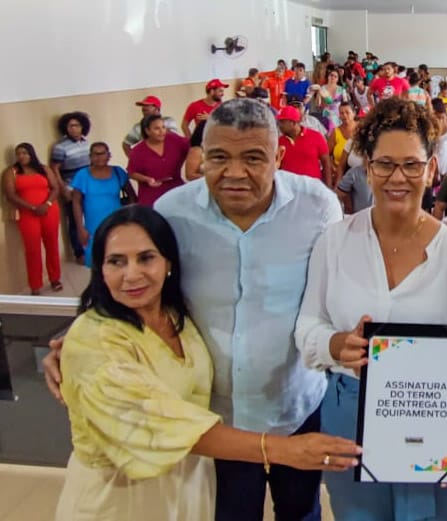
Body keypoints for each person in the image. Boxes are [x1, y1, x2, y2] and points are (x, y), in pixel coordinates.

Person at [45, 98, 346, 520]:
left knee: (300, 512)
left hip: (294, 404)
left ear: (279, 156)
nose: (234, 172)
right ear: (201, 155)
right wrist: (79, 339)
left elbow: (335, 295)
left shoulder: (318, 208)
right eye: (218, 157)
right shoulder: (173, 211)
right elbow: (142, 287)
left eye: (254, 158)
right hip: (212, 420)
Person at [54, 205, 361, 521]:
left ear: (169, 263)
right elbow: (156, 421)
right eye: (116, 262)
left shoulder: (178, 318)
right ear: (100, 270)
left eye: (146, 258)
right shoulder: (92, 339)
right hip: (119, 498)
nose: (132, 274)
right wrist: (284, 450)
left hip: (188, 489)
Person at [295, 98, 447, 521]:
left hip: (436, 411)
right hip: (350, 409)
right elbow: (306, 325)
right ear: (367, 168)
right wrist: (335, 343)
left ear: (432, 169)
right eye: (384, 164)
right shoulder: (335, 242)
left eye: (412, 165)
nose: (398, 178)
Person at [2, 143, 62, 295]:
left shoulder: (43, 169)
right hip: (27, 214)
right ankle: (35, 285)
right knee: (32, 249)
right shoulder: (11, 172)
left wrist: (46, 204)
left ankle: (55, 278)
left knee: (52, 244)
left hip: (49, 210)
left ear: (31, 154)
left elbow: (55, 188)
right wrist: (32, 208)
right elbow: (10, 195)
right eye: (18, 153)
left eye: (24, 153)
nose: (21, 156)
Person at [70, 142, 136, 267]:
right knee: (96, 262)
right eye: (95, 154)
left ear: (109, 155)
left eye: (102, 153)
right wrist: (80, 228)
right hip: (93, 227)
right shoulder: (82, 175)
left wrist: (130, 219)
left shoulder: (118, 172)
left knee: (118, 261)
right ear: (90, 157)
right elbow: (76, 202)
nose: (99, 157)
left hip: (117, 224)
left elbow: (132, 196)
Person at [50, 111, 91, 263]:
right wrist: (63, 190)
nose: (73, 129)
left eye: (77, 125)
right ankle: (79, 253)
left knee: (91, 218)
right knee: (75, 221)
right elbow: (55, 169)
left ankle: (94, 248)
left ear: (83, 127)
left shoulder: (86, 143)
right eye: (70, 126)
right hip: (71, 188)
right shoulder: (60, 147)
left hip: (89, 187)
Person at [127, 115, 189, 208]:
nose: (162, 131)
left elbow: (193, 146)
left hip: (176, 191)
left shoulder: (175, 140)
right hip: (151, 195)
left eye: (163, 127)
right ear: (147, 131)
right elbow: (132, 172)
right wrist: (147, 179)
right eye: (157, 128)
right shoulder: (138, 151)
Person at [277, 105, 334, 187]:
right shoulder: (279, 141)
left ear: (293, 123)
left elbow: (326, 163)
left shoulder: (316, 136)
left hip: (313, 190)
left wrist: (329, 188)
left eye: (282, 122)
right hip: (289, 191)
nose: (279, 125)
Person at [330, 103, 359, 181]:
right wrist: (333, 167)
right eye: (341, 113)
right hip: (338, 173)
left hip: (358, 174)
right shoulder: (335, 132)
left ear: (354, 113)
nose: (344, 115)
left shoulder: (361, 129)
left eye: (347, 112)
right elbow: (327, 155)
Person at [430, 98, 447, 178]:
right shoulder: (430, 124)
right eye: (438, 117)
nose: (441, 119)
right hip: (435, 155)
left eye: (443, 117)